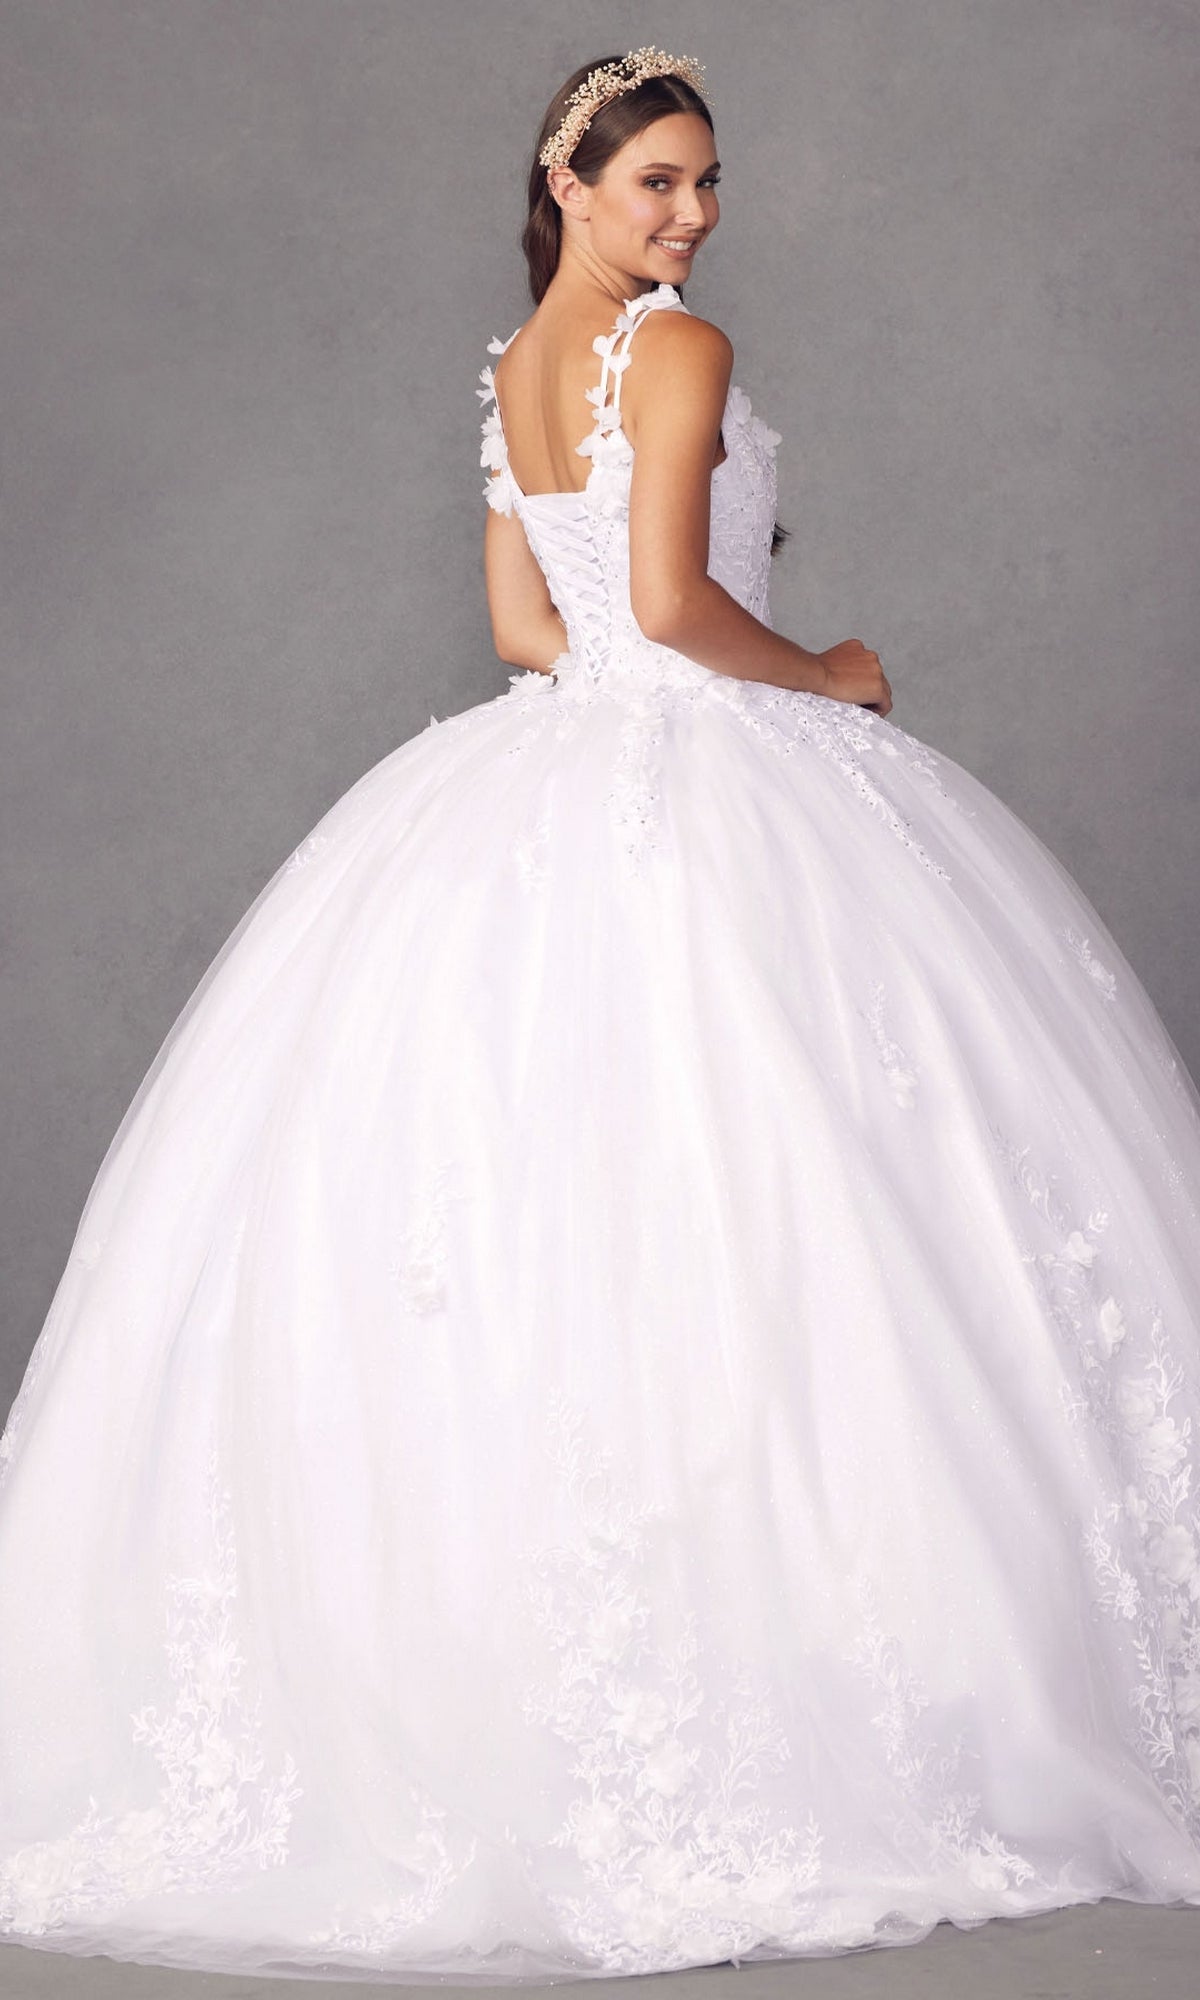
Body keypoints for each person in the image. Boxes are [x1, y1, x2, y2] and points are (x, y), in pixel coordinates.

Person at [1, 43, 1199, 1988]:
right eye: (658, 184)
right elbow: (664, 605)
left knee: (541, 1215)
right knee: (800, 1200)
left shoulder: (509, 378)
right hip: (717, 765)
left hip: (540, 778)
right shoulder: (682, 352)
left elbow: (526, 633)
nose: (695, 220)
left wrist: (660, 658)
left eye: (708, 186)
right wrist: (833, 663)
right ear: (570, 177)